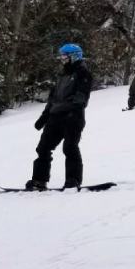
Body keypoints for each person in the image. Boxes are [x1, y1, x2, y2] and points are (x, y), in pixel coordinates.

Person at [26, 43, 92, 191]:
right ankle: (39, 180)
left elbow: (81, 97)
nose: (62, 59)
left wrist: (71, 111)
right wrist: (44, 117)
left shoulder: (83, 73)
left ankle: (73, 180)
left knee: (69, 148)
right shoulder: (61, 74)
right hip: (55, 117)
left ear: (74, 56)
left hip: (73, 117)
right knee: (43, 148)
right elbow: (53, 98)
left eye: (64, 56)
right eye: (61, 56)